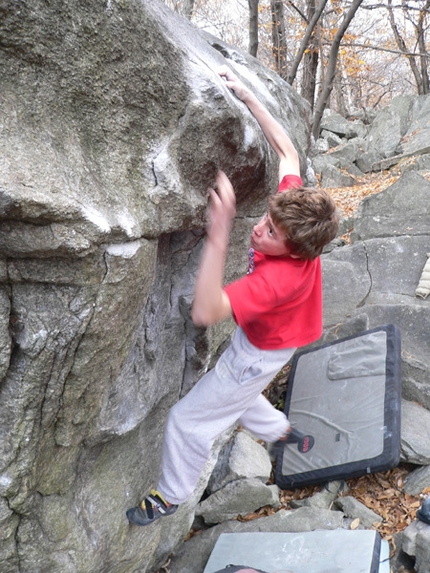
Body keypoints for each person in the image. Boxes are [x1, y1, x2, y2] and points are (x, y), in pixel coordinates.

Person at [126, 66, 339, 526]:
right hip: (281, 339)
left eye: (271, 235)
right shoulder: (295, 212)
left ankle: (171, 493)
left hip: (258, 350)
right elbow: (287, 153)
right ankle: (283, 433)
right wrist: (248, 97)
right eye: (264, 220)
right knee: (238, 393)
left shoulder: (280, 279)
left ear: (296, 249)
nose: (259, 229)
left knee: (188, 418)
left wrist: (219, 234)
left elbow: (205, 311)